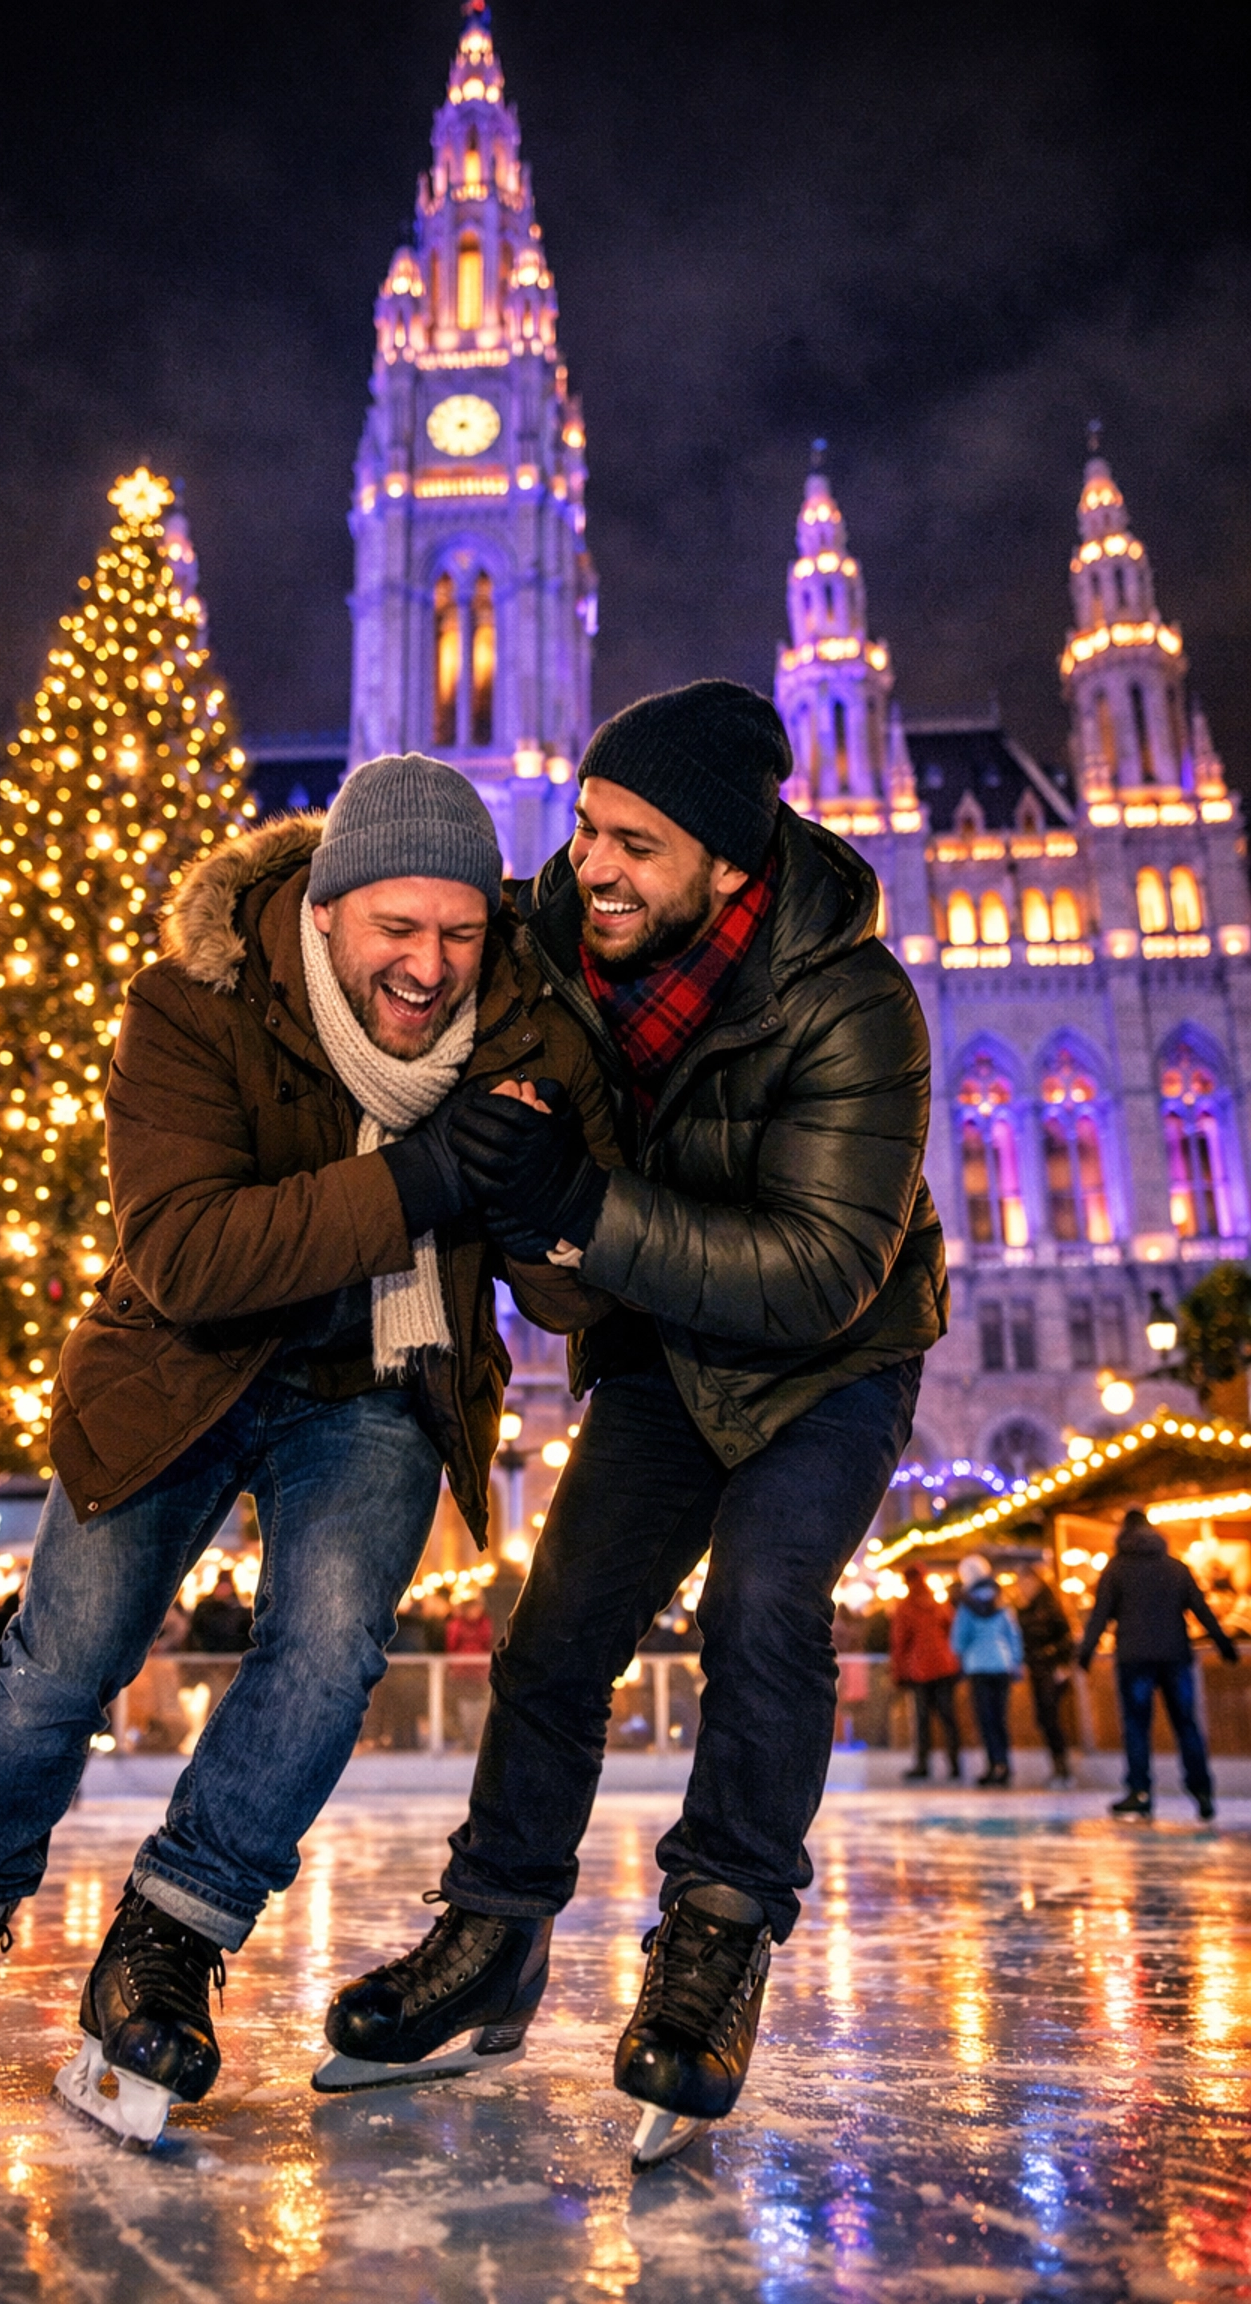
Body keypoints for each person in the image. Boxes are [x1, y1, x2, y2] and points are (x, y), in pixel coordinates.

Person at [0, 753, 616, 2145]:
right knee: (60, 1660)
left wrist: (551, 1207)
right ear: (329, 911)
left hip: (375, 1380)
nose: (430, 965)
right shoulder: (191, 999)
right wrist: (424, 1178)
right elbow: (185, 1255)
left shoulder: (529, 1028)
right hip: (179, 1367)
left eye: (461, 932)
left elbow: (572, 1293)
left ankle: (173, 1931)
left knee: (330, 1653)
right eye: (396, 930)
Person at [324, 680, 946, 2169]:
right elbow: (532, 1240)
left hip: (830, 1358)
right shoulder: (548, 942)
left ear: (728, 866)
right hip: (665, 1347)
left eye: (636, 844)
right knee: (555, 1635)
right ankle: (494, 1934)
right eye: (588, 826)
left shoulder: (857, 1005)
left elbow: (815, 1273)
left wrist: (582, 1212)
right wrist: (518, 1200)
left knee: (766, 1603)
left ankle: (716, 1944)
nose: (590, 866)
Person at [1076, 1508, 1238, 1821]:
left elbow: (1100, 1614)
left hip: (1134, 1658)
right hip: (1175, 1655)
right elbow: (1201, 1609)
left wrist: (1085, 1653)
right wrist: (1223, 1644)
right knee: (1186, 1723)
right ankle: (1202, 1790)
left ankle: (1140, 1792)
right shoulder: (1175, 1568)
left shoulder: (1116, 1569)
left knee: (1137, 1726)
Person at [950, 1557, 1024, 1786]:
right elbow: (1013, 1634)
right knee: (1000, 1718)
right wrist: (1015, 1660)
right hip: (1002, 1665)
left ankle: (993, 1765)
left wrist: (962, 1652)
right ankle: (1005, 1764)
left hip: (978, 1666)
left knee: (985, 1718)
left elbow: (959, 1639)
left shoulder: (966, 1606)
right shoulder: (1002, 1602)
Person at [890, 1565, 962, 1783]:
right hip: (944, 1666)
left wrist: (898, 1673)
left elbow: (899, 1643)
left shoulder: (905, 1608)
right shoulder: (939, 1604)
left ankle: (923, 1765)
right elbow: (952, 1630)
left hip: (919, 1669)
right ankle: (955, 1765)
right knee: (948, 1717)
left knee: (922, 1720)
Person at [1013, 1565, 1075, 1786]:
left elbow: (1066, 1637)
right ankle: (1058, 1766)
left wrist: (1062, 1663)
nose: (1022, 1587)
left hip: (1051, 1668)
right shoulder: (1024, 1608)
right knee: (1043, 1718)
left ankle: (1063, 1768)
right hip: (1036, 1669)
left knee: (1051, 1717)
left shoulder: (1049, 1606)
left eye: (1026, 1582)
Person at [444, 1589, 495, 1749]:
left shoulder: (485, 1624)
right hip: (462, 1672)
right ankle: (467, 1737)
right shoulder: (456, 1625)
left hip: (480, 1672)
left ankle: (477, 1737)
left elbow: (488, 1643)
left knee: (480, 1704)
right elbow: (451, 1646)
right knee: (464, 1703)